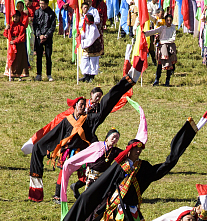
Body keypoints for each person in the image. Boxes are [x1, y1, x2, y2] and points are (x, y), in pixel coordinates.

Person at [56, 102, 207, 221]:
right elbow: (104, 184)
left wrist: (172, 159)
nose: (139, 152)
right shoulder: (119, 166)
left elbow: (158, 171)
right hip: (119, 204)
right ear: (129, 150)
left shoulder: (143, 166)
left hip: (133, 205)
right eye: (136, 150)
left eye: (140, 150)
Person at [26, 73, 136, 202]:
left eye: (84, 105)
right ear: (75, 106)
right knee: (64, 173)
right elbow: (54, 134)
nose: (83, 107)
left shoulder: (89, 119)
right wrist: (40, 146)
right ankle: (57, 195)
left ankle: (81, 191)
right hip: (69, 152)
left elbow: (107, 103)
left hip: (84, 152)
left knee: (86, 176)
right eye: (81, 105)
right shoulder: (67, 121)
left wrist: (126, 83)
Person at [144, 12, 178, 86]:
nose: (169, 22)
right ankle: (157, 80)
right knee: (159, 65)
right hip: (162, 49)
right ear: (165, 21)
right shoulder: (162, 28)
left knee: (169, 65)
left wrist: (163, 41)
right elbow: (153, 31)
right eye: (167, 20)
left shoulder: (173, 29)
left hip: (170, 48)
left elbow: (173, 39)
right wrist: (145, 34)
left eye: (170, 21)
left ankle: (167, 80)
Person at [31, 0, 56, 81]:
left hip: (48, 38)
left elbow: (52, 27)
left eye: (43, 4)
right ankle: (39, 74)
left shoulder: (51, 13)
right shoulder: (37, 12)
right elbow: (35, 25)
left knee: (48, 56)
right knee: (39, 56)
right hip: (39, 38)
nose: (41, 5)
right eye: (40, 3)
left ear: (47, 4)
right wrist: (39, 35)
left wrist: (46, 35)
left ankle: (49, 74)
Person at [4, 9, 30, 80]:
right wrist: (6, 29)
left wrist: (15, 41)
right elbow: (6, 35)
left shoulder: (21, 26)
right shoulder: (11, 25)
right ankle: (12, 74)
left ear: (19, 17)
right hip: (12, 45)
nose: (15, 18)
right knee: (12, 59)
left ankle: (19, 74)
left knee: (19, 60)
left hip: (19, 45)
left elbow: (22, 36)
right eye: (14, 17)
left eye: (17, 17)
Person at [78, 9, 103, 82]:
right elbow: (83, 33)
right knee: (85, 59)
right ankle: (86, 75)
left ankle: (92, 76)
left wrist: (83, 43)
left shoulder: (93, 28)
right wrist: (80, 38)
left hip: (93, 46)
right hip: (86, 45)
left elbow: (91, 39)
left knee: (93, 61)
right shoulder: (85, 26)